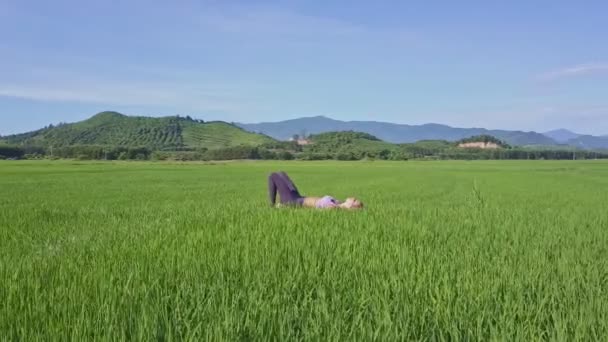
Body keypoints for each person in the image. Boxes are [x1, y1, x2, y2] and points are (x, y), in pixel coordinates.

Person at [268, 171, 363, 209]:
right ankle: (282, 204)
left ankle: (273, 206)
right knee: (281, 173)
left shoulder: (334, 208)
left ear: (350, 206)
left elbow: (320, 212)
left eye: (354, 200)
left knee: (273, 175)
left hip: (294, 201)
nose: (353, 197)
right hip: (298, 197)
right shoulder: (339, 203)